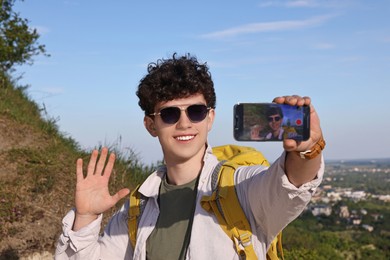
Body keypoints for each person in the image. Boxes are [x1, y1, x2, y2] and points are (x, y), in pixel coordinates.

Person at [55, 53, 325, 260]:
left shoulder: (238, 189)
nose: (184, 123)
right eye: (170, 114)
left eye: (195, 111)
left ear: (210, 118)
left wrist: (307, 149)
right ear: (151, 125)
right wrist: (86, 217)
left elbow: (289, 184)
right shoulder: (140, 206)